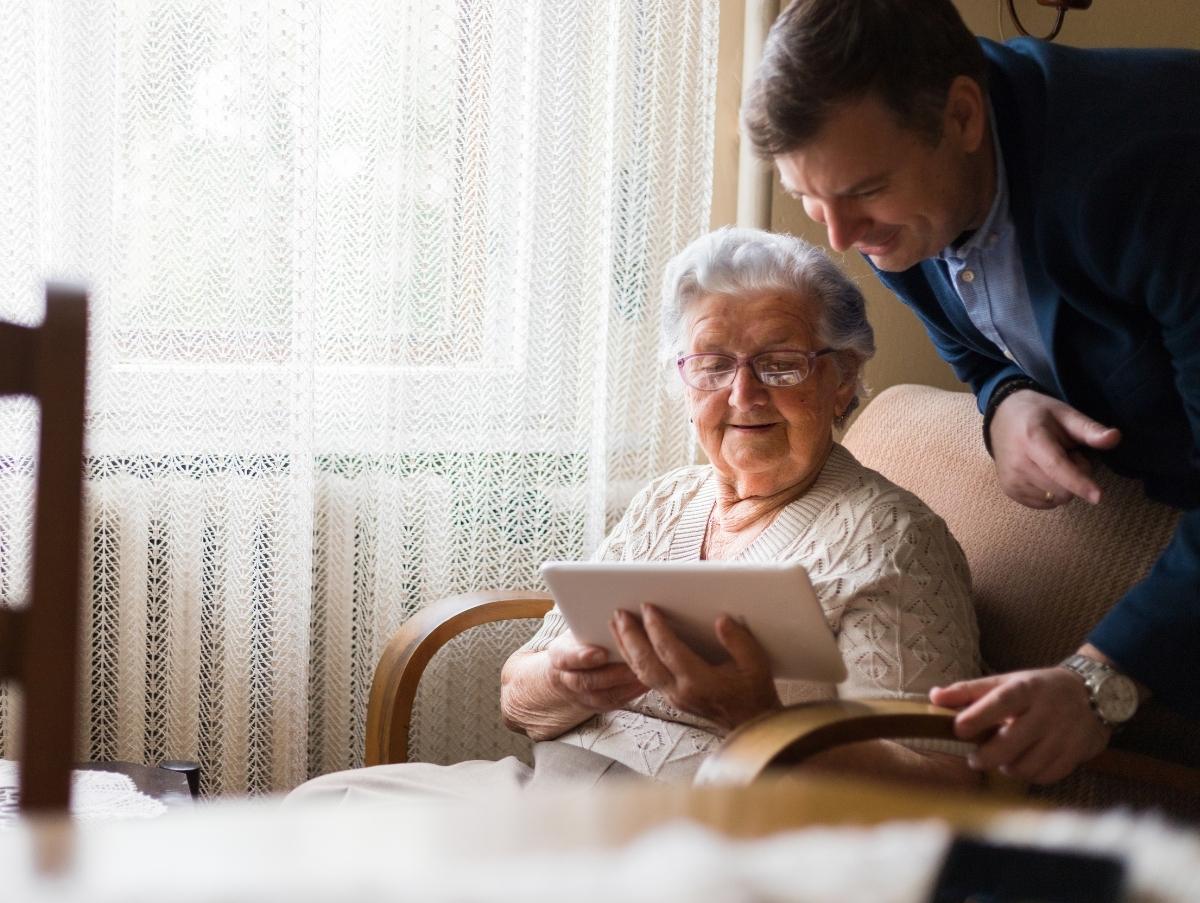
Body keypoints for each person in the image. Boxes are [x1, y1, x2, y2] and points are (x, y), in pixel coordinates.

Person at [287, 228, 982, 804]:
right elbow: (517, 696)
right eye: (712, 364)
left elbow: (937, 789)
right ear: (683, 381)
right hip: (549, 794)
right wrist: (566, 678)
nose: (743, 393)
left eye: (779, 364)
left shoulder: (893, 540)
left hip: (708, 832)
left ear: (842, 379)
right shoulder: (668, 501)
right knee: (318, 810)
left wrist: (758, 717)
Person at [742, 0, 1200, 785]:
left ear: (962, 114)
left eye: (861, 193)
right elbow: (971, 343)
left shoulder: (1149, 169)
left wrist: (1097, 680)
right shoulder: (909, 201)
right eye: (811, 200)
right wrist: (1005, 400)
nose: (840, 239)